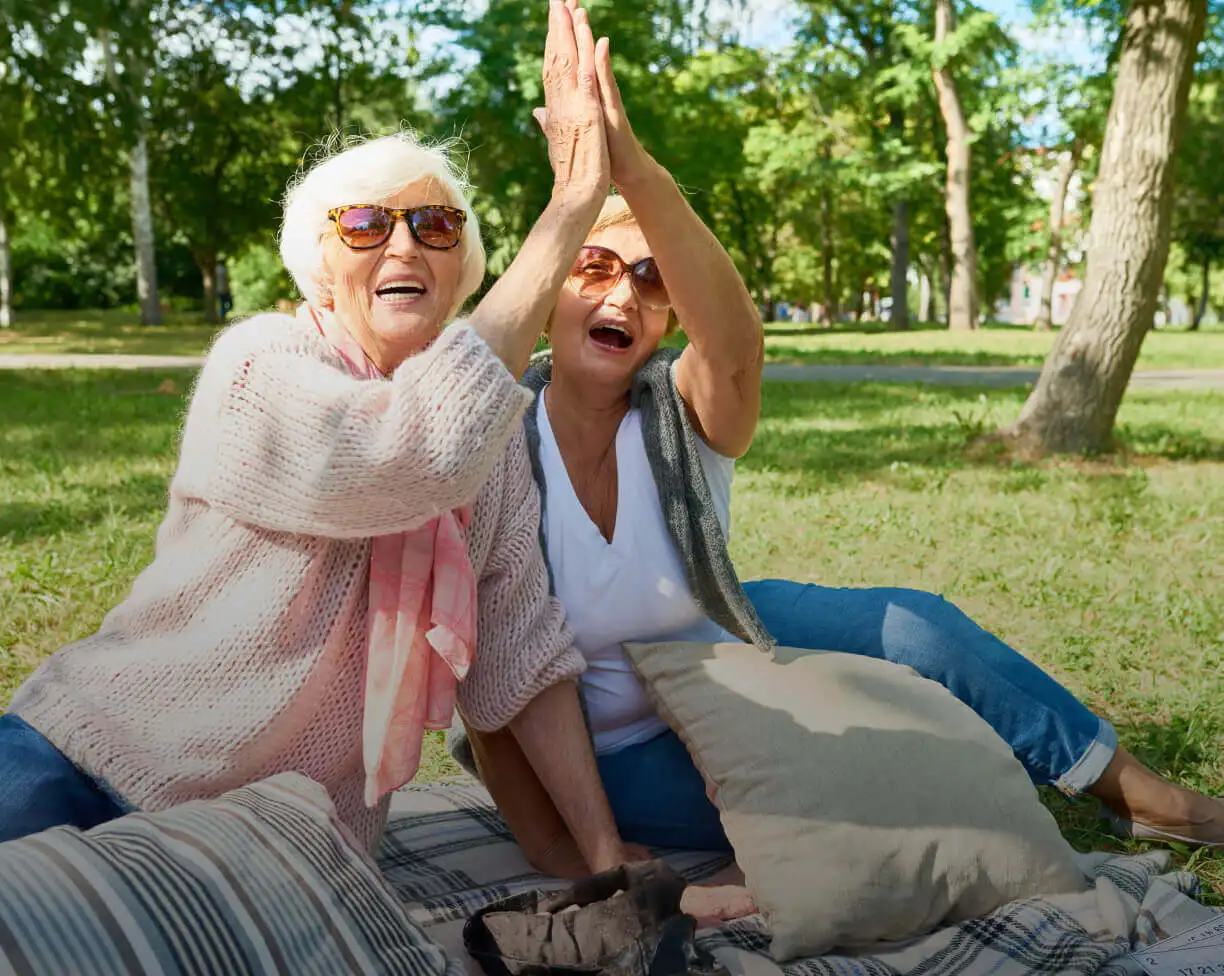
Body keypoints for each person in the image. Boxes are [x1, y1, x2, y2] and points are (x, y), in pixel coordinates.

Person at [460, 8, 1224, 901]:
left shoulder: (680, 411)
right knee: (870, 776)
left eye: (650, 278)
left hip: (720, 642)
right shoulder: (494, 429)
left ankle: (1144, 796)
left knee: (913, 626)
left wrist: (633, 169)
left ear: (667, 319)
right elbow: (460, 390)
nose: (623, 290)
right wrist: (569, 848)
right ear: (548, 288)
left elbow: (737, 347)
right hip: (617, 745)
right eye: (591, 265)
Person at [0, 0, 636, 878]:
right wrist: (570, 209)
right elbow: (413, 453)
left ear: (463, 275)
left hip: (276, 848)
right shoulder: (261, 366)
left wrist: (608, 860)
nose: (404, 242)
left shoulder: (487, 445)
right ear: (322, 269)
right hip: (88, 769)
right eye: (366, 225)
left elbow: (521, 657)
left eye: (436, 224)